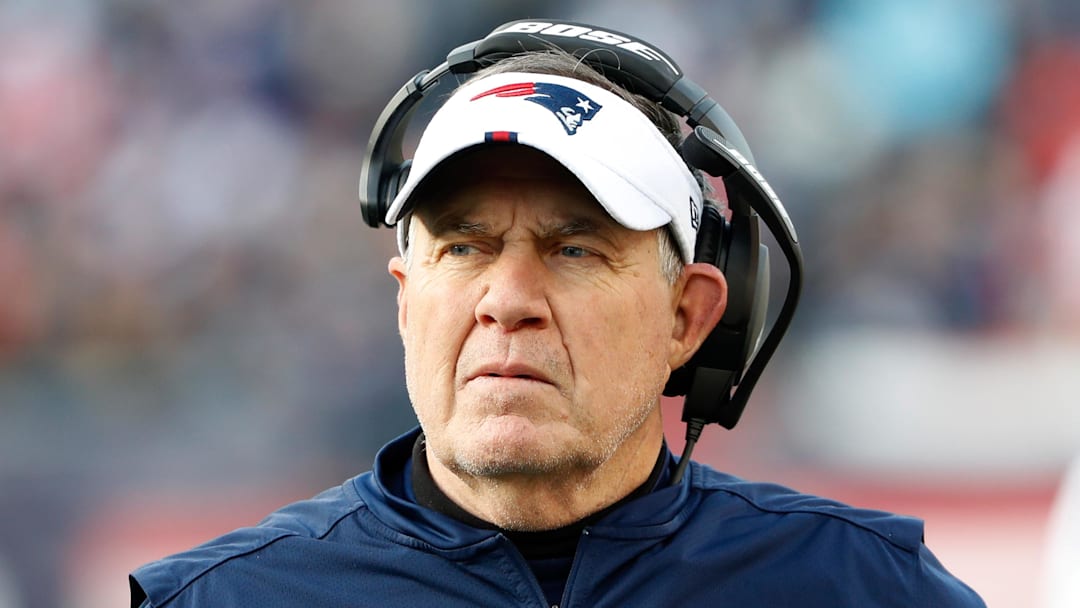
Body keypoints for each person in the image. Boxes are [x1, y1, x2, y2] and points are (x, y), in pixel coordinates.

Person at [129, 21, 985, 608]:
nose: (505, 302)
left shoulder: (866, 589)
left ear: (688, 317)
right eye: (462, 247)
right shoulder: (220, 599)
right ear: (405, 298)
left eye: (574, 250)